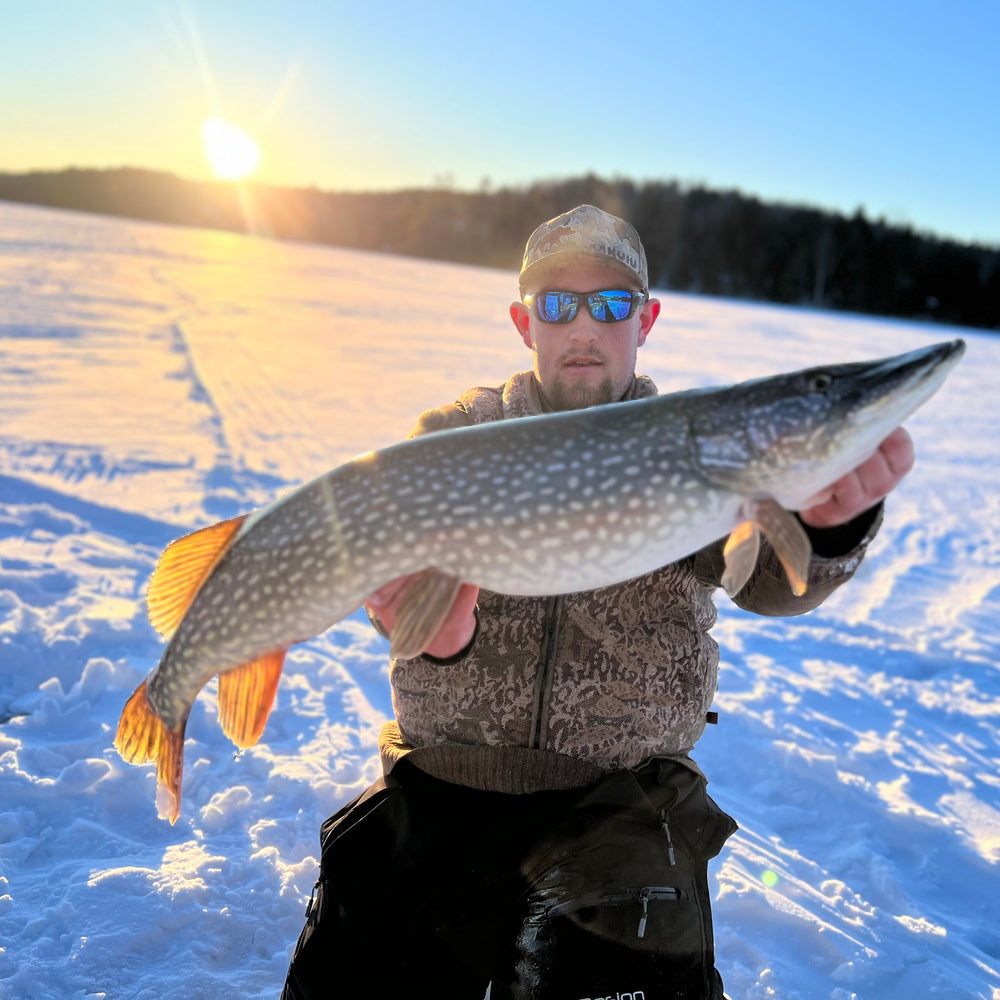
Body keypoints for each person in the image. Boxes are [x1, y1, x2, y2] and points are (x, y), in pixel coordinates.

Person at [281, 205, 914, 999]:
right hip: (443, 787)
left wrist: (832, 527)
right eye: (558, 303)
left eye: (611, 303)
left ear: (644, 320)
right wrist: (435, 636)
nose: (584, 324)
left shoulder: (698, 445)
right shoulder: (452, 432)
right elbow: (405, 599)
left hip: (624, 808)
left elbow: (773, 583)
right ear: (524, 322)